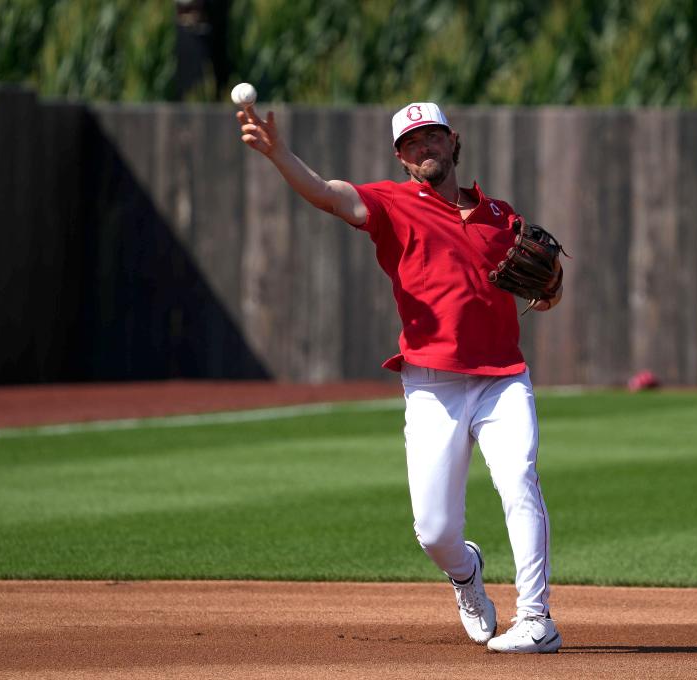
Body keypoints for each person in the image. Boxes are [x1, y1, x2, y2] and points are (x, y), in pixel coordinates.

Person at [236, 101, 563, 653]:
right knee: (435, 533)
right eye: (412, 143)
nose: (424, 148)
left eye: (432, 137)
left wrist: (551, 292)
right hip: (432, 384)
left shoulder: (502, 216)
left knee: (519, 481)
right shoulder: (390, 203)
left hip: (503, 378)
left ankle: (537, 619)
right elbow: (324, 192)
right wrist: (278, 154)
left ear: (452, 142)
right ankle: (466, 573)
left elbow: (543, 292)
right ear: (401, 157)